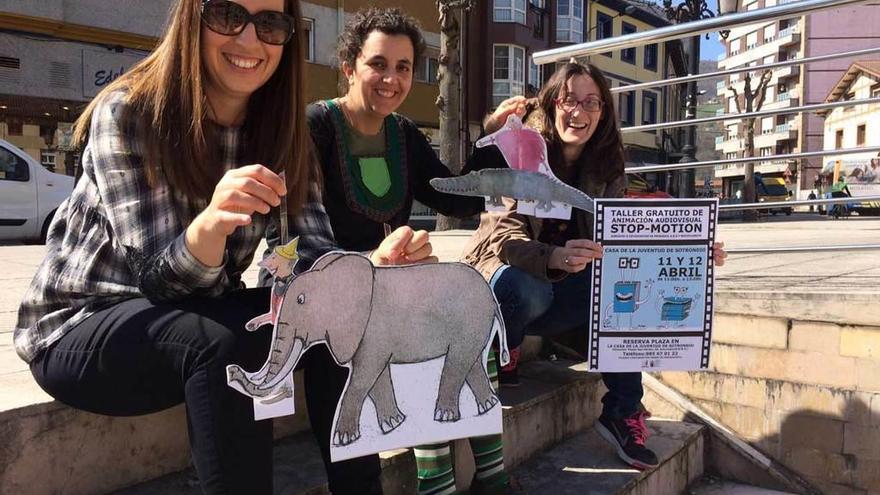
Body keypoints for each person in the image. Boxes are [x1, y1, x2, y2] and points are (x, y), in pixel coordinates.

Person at [13, 0, 338, 492]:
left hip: (195, 311)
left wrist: (357, 271)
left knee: (336, 312)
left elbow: (299, 253)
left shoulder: (283, 131)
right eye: (228, 16)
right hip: (83, 327)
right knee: (230, 343)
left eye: (270, 24)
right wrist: (209, 227)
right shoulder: (130, 111)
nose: (249, 41)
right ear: (192, 17)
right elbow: (159, 278)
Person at [265, 8, 515, 494]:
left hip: (395, 295)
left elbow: (450, 195)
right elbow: (286, 245)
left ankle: (465, 479)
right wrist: (366, 265)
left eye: (404, 67)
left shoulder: (403, 134)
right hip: (330, 295)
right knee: (344, 378)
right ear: (350, 67)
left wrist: (492, 135)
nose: (392, 79)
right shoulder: (312, 127)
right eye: (379, 64)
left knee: (470, 328)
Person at [461, 62, 728, 471]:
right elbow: (503, 234)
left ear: (602, 112)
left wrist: (687, 252)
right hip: (507, 285)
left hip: (564, 293)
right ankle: (506, 346)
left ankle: (622, 411)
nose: (578, 112)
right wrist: (553, 256)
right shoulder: (520, 148)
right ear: (552, 103)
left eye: (591, 103)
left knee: (625, 290)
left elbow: (622, 237)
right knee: (528, 286)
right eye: (569, 100)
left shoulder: (606, 164)